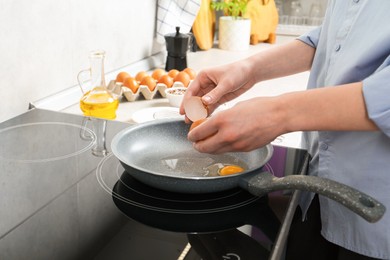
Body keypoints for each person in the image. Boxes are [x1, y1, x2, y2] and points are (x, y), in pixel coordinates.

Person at [179, 0, 390, 259]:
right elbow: (336, 36)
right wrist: (249, 69)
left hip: (379, 215)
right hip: (321, 187)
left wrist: (280, 113)